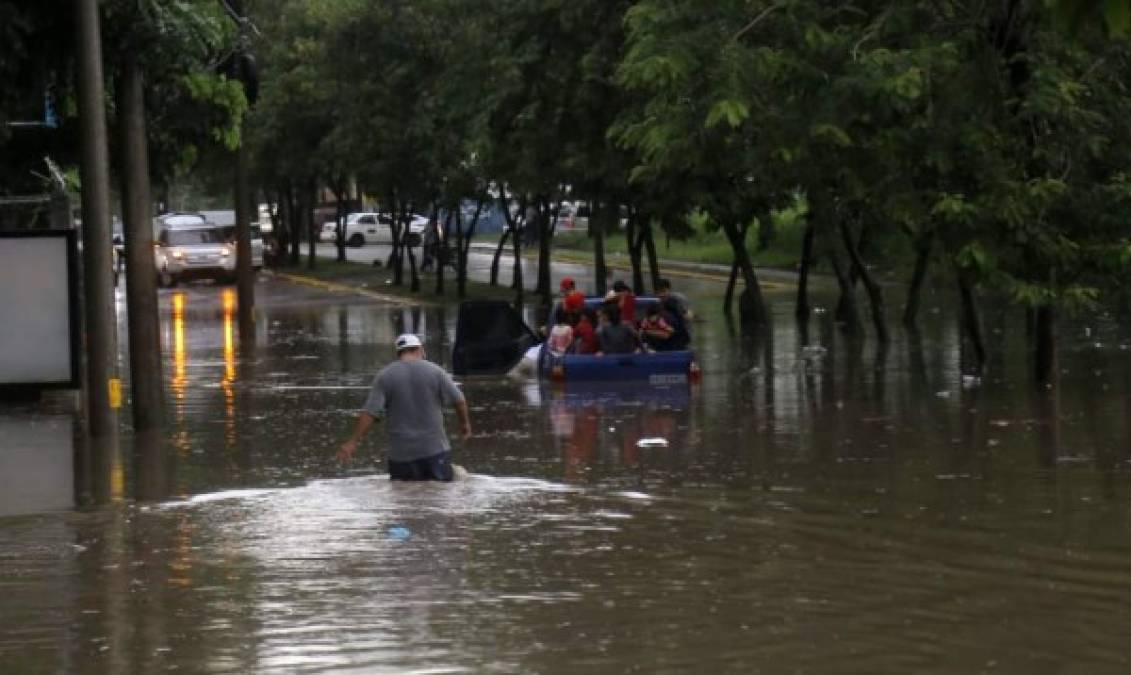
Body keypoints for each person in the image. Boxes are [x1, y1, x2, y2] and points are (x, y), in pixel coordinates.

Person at [338, 333, 472, 481]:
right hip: (434, 451)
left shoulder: (385, 376)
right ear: (420, 349)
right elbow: (459, 400)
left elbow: (370, 413)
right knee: (439, 496)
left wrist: (352, 442)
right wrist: (464, 424)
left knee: (403, 497)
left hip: (400, 457)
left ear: (399, 353)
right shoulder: (436, 371)